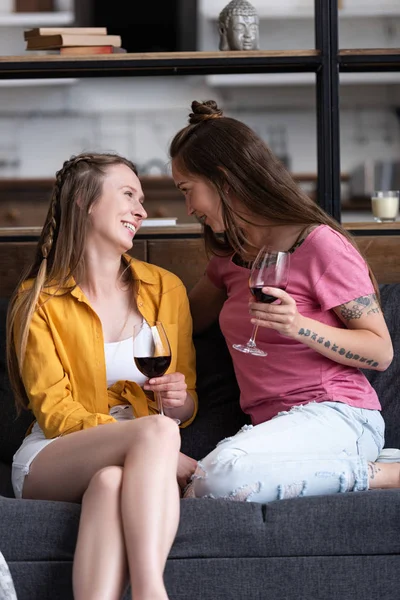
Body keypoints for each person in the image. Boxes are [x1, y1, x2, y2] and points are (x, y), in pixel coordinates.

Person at [169, 99, 400, 504]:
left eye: (188, 191)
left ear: (223, 180)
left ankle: (382, 474)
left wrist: (298, 326)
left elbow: (380, 352)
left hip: (338, 415)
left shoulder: (319, 245)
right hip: (271, 430)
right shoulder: (230, 258)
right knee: (199, 489)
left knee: (214, 481)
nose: (189, 208)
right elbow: (183, 321)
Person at [6, 152, 198, 600]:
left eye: (142, 199)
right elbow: (55, 415)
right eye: (128, 194)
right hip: (55, 456)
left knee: (112, 480)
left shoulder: (165, 288)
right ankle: (152, 591)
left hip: (137, 459)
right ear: (84, 202)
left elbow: (183, 408)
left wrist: (177, 399)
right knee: (154, 433)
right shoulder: (38, 300)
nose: (142, 211)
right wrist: (154, 442)